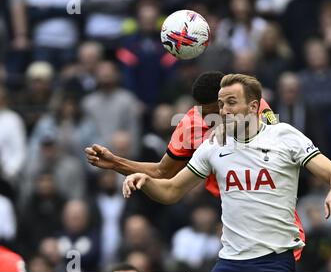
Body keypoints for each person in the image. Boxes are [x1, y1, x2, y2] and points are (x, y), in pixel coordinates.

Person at [122, 74, 331, 272]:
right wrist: (145, 181)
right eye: (221, 104)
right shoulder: (213, 146)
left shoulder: (284, 137)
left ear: (253, 107)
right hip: (230, 261)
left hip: (273, 259)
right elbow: (171, 190)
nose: (224, 110)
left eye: (232, 102)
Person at [84, 71, 276, 198]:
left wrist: (230, 130)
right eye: (202, 111)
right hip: (232, 206)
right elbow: (163, 172)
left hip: (270, 199)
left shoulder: (255, 106)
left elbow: (276, 148)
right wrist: (115, 163)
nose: (207, 117)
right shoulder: (191, 125)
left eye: (213, 111)